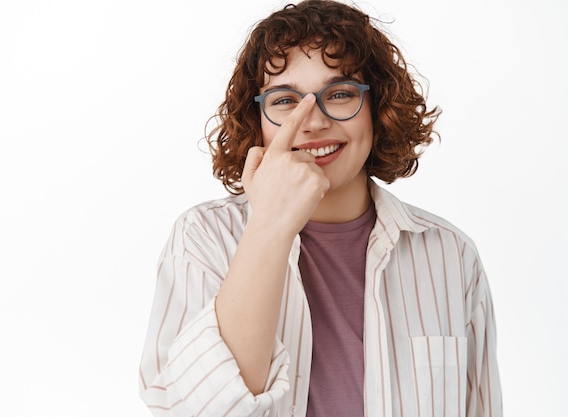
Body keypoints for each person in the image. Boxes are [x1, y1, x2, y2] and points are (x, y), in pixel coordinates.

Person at [138, 1, 502, 416]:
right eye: (284, 100)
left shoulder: (451, 255)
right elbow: (197, 410)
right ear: (256, 118)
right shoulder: (202, 239)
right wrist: (270, 226)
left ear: (377, 107)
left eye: (341, 93)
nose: (311, 122)